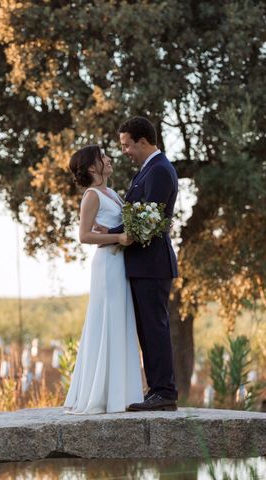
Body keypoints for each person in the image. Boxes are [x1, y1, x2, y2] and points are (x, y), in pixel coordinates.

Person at [97, 116, 179, 412]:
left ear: (143, 142)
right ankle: (157, 388)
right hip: (144, 264)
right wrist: (116, 230)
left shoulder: (158, 171)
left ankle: (164, 391)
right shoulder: (148, 170)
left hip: (152, 263)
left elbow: (148, 219)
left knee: (155, 327)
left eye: (127, 145)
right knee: (147, 328)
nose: (124, 151)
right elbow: (140, 213)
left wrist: (117, 233)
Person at [63, 145, 144, 414]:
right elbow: (84, 236)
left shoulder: (113, 193)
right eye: (102, 157)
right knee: (107, 320)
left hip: (120, 261)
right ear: (91, 168)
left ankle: (120, 393)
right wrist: (118, 238)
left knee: (121, 320)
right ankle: (101, 394)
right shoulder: (92, 196)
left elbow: (111, 226)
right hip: (107, 263)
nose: (109, 159)